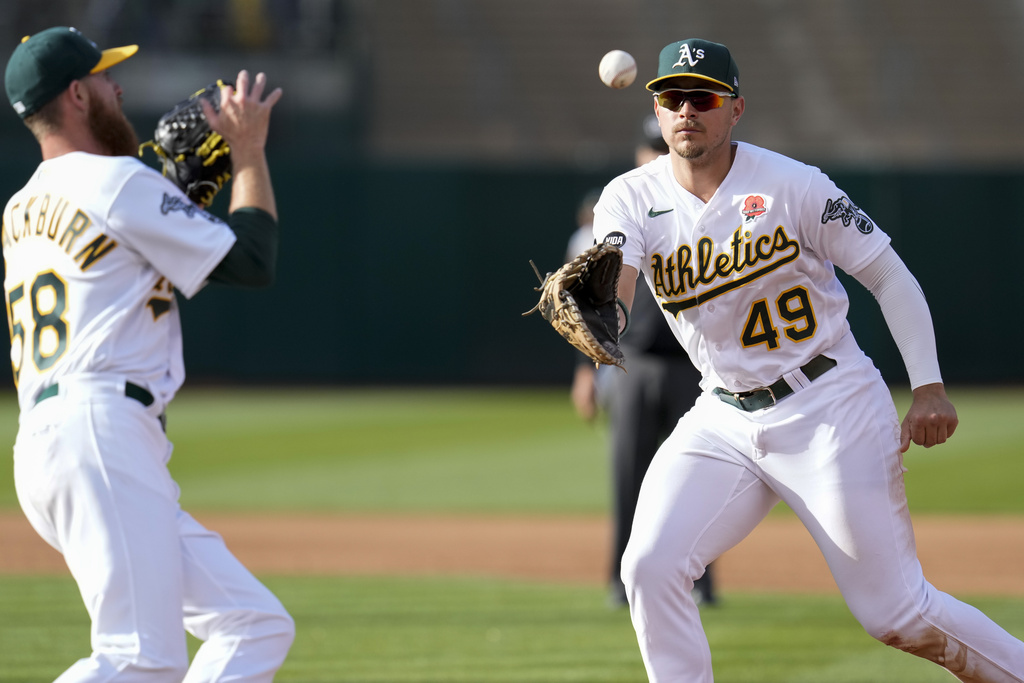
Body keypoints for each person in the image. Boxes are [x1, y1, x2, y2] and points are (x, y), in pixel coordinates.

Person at [591, 37, 1024, 681]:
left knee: (896, 614)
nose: (687, 109)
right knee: (647, 567)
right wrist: (602, 314)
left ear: (735, 109)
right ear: (658, 112)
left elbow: (891, 278)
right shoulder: (627, 196)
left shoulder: (794, 186)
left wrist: (928, 386)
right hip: (724, 416)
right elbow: (618, 287)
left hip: (830, 403)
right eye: (672, 97)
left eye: (703, 96)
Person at [2, 27, 294, 681]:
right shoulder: (116, 183)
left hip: (58, 440)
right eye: (105, 77)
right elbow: (251, 260)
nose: (118, 86)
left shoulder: (22, 206)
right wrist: (248, 153)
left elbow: (118, 272)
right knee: (140, 659)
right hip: (100, 431)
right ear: (77, 94)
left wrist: (177, 198)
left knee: (254, 624)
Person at [569, 128, 716, 610]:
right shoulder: (624, 210)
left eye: (662, 145)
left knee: (697, 482)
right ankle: (620, 580)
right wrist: (588, 369)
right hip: (632, 365)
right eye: (651, 146)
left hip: (694, 368)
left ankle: (702, 582)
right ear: (639, 151)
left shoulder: (702, 209)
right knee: (628, 475)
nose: (658, 154)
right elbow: (597, 306)